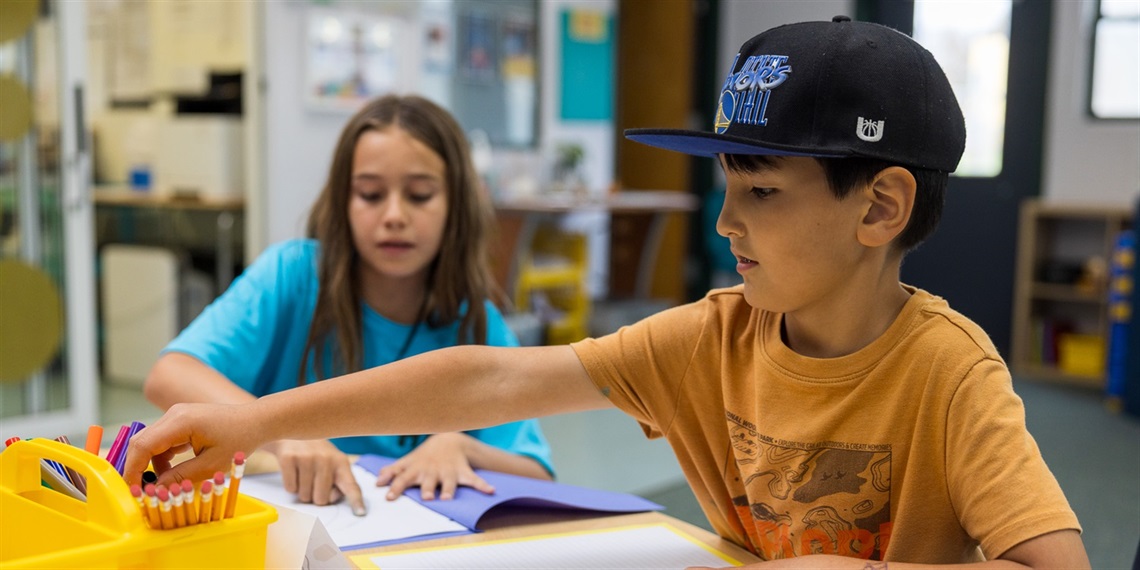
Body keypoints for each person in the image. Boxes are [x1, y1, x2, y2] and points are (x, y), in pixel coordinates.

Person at [128, 18, 1089, 566]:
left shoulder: (951, 371)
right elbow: (487, 383)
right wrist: (254, 425)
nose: (726, 223)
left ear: (879, 205)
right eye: (726, 188)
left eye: (759, 191)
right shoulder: (710, 338)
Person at [141, 94, 554, 516]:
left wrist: (461, 446)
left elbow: (539, 475)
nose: (394, 215)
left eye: (420, 194)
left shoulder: (478, 324)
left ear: (456, 206)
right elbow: (170, 372)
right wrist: (282, 433)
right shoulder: (293, 274)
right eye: (371, 194)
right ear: (343, 200)